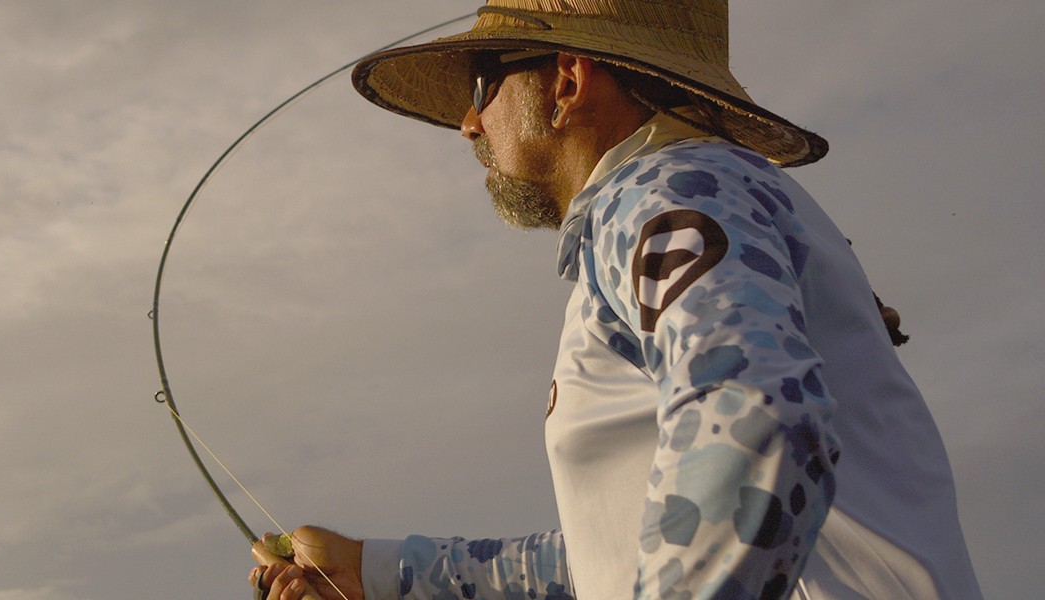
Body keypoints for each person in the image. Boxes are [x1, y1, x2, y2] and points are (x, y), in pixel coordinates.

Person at [249, 1, 982, 599]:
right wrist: (375, 572)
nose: (470, 124)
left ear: (566, 81)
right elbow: (640, 544)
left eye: (481, 87)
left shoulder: (667, 192)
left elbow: (759, 418)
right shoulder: (681, 201)